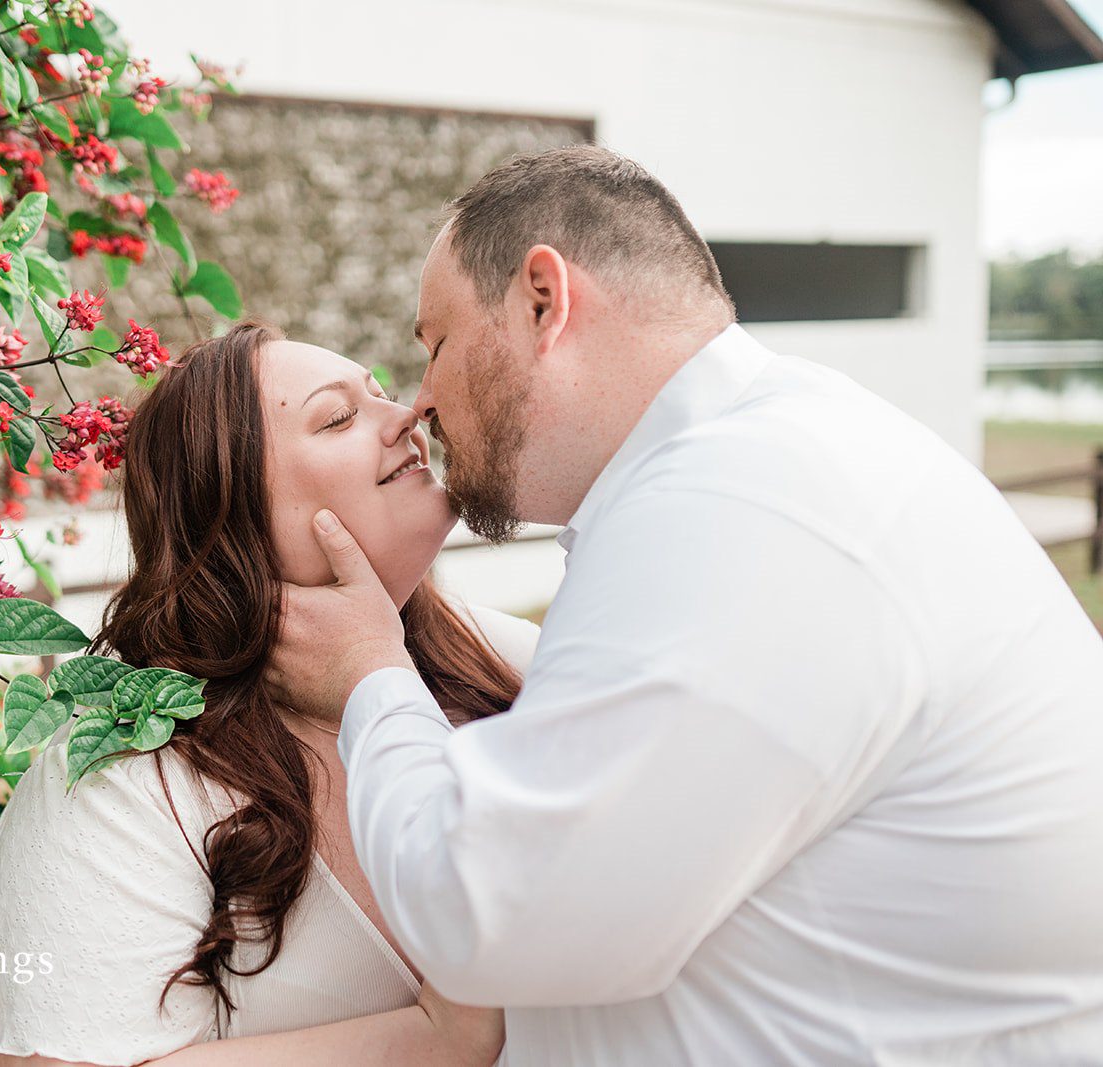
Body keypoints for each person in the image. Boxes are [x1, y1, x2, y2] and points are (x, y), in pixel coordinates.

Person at [264, 143, 1103, 1065]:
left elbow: (490, 915)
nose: (422, 401)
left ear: (543, 301)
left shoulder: (747, 503)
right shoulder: (734, 475)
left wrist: (374, 681)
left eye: (437, 343)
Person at [0, 322, 536, 1065]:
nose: (409, 416)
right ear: (233, 514)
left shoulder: (513, 666)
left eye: (381, 394)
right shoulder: (128, 779)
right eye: (338, 416)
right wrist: (442, 1040)